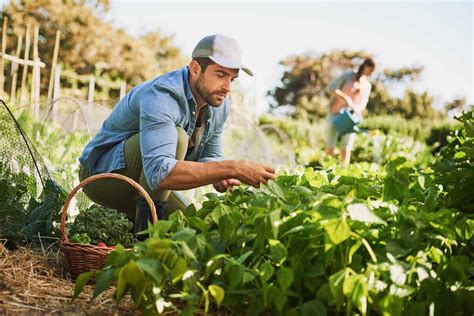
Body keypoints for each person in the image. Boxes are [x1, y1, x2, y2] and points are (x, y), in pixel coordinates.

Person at [78, 34, 276, 232]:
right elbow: (159, 172)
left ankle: (137, 226)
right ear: (196, 68)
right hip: (102, 176)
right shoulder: (163, 95)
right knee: (178, 136)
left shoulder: (219, 105)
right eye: (220, 75)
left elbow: (210, 156)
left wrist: (220, 176)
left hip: (146, 185)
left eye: (232, 78)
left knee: (192, 227)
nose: (227, 87)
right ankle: (145, 240)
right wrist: (232, 167)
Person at [325, 58, 376, 165]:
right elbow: (330, 88)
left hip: (350, 118)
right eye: (371, 69)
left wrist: (356, 108)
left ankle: (344, 172)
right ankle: (327, 171)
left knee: (346, 148)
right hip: (335, 113)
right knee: (330, 145)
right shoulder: (348, 76)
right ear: (365, 66)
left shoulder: (367, 85)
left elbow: (363, 103)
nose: (372, 73)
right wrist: (346, 98)